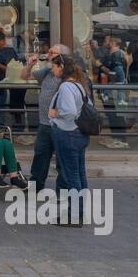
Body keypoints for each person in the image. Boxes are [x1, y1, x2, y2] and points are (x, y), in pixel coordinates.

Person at [48, 53, 91, 226]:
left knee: (71, 175)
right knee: (79, 173)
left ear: (61, 67)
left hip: (67, 133)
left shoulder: (66, 87)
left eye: (55, 66)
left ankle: (74, 215)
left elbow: (70, 112)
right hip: (80, 133)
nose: (53, 69)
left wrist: (55, 113)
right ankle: (79, 212)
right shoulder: (80, 85)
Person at [22, 44, 70, 192]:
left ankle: (64, 190)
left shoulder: (69, 76)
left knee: (62, 160)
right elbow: (24, 76)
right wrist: (29, 65)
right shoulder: (47, 72)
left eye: (52, 52)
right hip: (45, 123)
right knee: (40, 157)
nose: (48, 54)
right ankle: (35, 187)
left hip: (61, 125)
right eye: (49, 52)